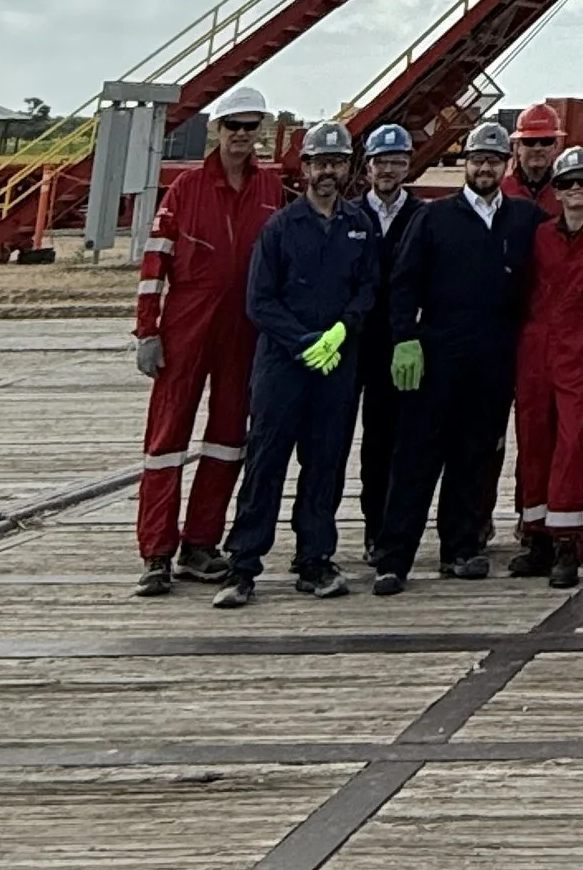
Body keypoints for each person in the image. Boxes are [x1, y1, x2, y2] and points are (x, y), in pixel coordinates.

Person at [215, 123, 380, 608]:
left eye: (337, 163)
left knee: (325, 463)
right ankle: (243, 564)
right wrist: (302, 341)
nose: (328, 172)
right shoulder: (280, 228)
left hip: (336, 364)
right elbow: (259, 301)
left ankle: (315, 559)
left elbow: (368, 287)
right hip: (283, 365)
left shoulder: (359, 225)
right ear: (305, 168)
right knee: (266, 461)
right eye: (320, 163)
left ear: (348, 169)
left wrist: (343, 330)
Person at [373, 119, 540, 594]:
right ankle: (393, 558)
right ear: (465, 164)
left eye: (494, 161)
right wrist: (404, 338)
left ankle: (461, 549)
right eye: (478, 159)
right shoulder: (434, 218)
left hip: (494, 355)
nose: (486, 168)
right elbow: (403, 283)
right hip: (437, 353)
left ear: (506, 165)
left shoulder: (524, 219)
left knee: (474, 456)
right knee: (416, 456)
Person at [131, 85, 285, 595]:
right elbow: (155, 262)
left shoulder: (270, 189)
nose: (241, 135)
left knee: (227, 439)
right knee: (166, 440)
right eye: (233, 126)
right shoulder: (186, 188)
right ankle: (157, 551)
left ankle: (200, 543)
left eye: (250, 126)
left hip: (244, 328)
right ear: (217, 130)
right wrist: (148, 330)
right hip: (186, 324)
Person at [507, 147, 583, 592]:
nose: (575, 189)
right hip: (533, 346)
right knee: (532, 440)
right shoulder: (540, 235)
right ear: (556, 191)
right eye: (566, 183)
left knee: (569, 441)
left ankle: (568, 540)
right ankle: (536, 534)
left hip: (577, 346)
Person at [353, 122, 426, 576]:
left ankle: (385, 530)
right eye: (382, 162)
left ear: (408, 166)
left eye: (398, 162)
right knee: (338, 442)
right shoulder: (349, 215)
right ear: (368, 167)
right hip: (350, 341)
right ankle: (338, 531)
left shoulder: (421, 216)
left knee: (390, 440)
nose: (389, 170)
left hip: (398, 343)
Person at [503, 103, 565, 210]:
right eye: (530, 141)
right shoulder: (501, 189)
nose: (537, 148)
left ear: (555, 146)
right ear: (518, 146)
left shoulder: (568, 188)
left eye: (546, 141)